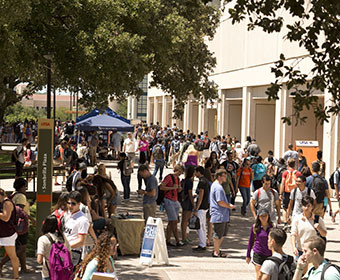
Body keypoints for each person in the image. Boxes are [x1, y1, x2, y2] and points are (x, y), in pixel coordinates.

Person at [0, 178, 35, 275]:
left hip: (12, 226)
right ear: (23, 186)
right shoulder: (21, 196)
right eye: (25, 186)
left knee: (20, 248)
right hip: (20, 226)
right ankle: (2, 263)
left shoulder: (13, 194)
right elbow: (21, 211)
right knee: (20, 249)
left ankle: (23, 268)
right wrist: (31, 218)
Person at [291, 196, 327, 269]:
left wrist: (319, 228)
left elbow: (324, 234)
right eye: (304, 206)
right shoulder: (297, 219)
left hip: (313, 252)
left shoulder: (317, 219)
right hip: (301, 251)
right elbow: (293, 234)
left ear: (312, 207)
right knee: (300, 272)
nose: (306, 208)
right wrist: (294, 247)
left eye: (308, 206)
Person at [37, 215, 71, 280]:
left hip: (48, 274)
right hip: (62, 273)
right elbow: (69, 254)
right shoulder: (62, 237)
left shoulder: (43, 239)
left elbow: (39, 260)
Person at [210, 169, 235, 257]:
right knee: (218, 234)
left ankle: (217, 250)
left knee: (222, 233)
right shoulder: (218, 188)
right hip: (219, 214)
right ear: (219, 177)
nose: (226, 178)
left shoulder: (216, 185)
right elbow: (220, 201)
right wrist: (229, 206)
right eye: (224, 176)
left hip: (222, 214)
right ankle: (216, 252)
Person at [160, 164, 185, 247]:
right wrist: (172, 188)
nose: (180, 174)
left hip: (175, 200)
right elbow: (161, 187)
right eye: (179, 172)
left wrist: (178, 189)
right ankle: (177, 240)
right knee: (174, 221)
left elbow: (177, 189)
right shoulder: (169, 177)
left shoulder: (177, 179)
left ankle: (168, 239)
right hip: (168, 200)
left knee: (171, 221)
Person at [64, 191, 90, 267]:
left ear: (79, 204)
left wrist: (65, 247)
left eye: (73, 203)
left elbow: (81, 241)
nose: (70, 206)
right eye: (68, 203)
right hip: (65, 251)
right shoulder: (68, 215)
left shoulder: (82, 220)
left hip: (74, 253)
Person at [246, 209, 273, 280]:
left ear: (268, 216)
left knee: (267, 276)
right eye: (261, 216)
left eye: (265, 216)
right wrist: (248, 255)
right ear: (258, 217)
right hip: (258, 253)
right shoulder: (255, 227)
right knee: (259, 275)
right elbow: (250, 241)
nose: (263, 218)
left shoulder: (272, 227)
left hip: (269, 254)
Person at [0, 188, 19, 279]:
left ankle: (15, 276)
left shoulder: (7, 203)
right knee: (12, 256)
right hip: (3, 233)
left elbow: (6, 217)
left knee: (12, 256)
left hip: (7, 234)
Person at [192, 166, 210, 251]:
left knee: (199, 226)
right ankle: (204, 241)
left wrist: (196, 208)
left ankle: (202, 244)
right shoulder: (205, 180)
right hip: (205, 205)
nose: (195, 174)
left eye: (196, 172)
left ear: (199, 172)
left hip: (202, 206)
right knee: (203, 225)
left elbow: (201, 195)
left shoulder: (202, 182)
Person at [280, 158, 301, 228]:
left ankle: (286, 223)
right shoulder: (298, 173)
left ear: (288, 164)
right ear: (294, 164)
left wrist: (280, 193)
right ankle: (293, 223)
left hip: (287, 192)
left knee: (285, 208)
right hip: (295, 192)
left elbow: (282, 183)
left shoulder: (285, 173)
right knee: (294, 208)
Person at [180, 165, 195, 244]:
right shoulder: (190, 181)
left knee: (184, 220)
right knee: (185, 220)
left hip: (183, 200)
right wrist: (193, 203)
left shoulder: (185, 180)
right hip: (187, 201)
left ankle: (184, 236)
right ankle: (184, 237)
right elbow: (189, 193)